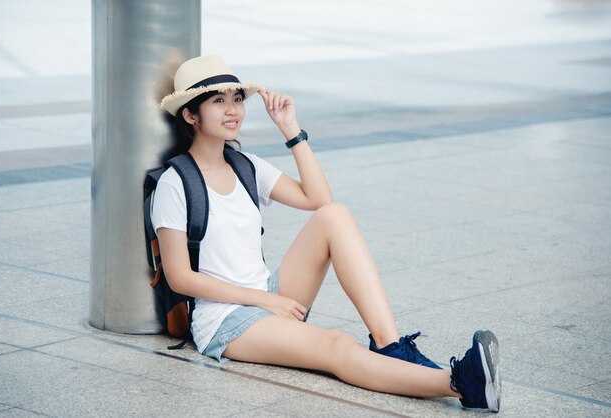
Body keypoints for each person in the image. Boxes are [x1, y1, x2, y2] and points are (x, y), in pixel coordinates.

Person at [153, 55, 501, 412]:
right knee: (335, 345)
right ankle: (460, 384)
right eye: (219, 100)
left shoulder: (246, 166)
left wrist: (290, 129)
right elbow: (181, 278)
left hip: (269, 295)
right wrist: (265, 301)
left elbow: (318, 198)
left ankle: (388, 344)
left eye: (237, 98)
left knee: (334, 216)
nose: (234, 110)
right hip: (227, 321)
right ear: (191, 115)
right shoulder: (175, 184)